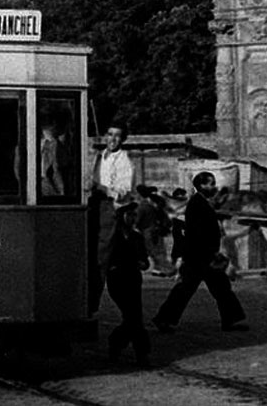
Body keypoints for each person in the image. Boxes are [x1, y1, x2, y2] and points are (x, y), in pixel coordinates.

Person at [152, 171, 247, 334]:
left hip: (204, 256)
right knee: (186, 289)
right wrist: (210, 254)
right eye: (209, 183)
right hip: (199, 257)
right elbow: (197, 233)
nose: (213, 187)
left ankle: (230, 320)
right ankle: (163, 319)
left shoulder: (202, 202)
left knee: (220, 287)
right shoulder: (197, 204)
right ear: (200, 185)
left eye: (213, 183)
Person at [85, 123, 135, 312]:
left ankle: (92, 303)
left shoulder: (124, 161)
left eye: (117, 136)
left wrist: (101, 188)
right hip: (93, 206)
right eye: (110, 134)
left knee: (101, 258)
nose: (112, 139)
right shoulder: (99, 156)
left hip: (109, 208)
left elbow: (123, 193)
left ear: (122, 139)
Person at [105, 201, 151, 367]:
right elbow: (105, 256)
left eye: (134, 215)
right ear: (121, 216)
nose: (132, 218)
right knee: (132, 317)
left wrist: (143, 264)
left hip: (133, 279)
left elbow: (145, 259)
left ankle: (123, 348)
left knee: (133, 318)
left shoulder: (137, 237)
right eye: (129, 214)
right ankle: (137, 352)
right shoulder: (112, 236)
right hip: (117, 280)